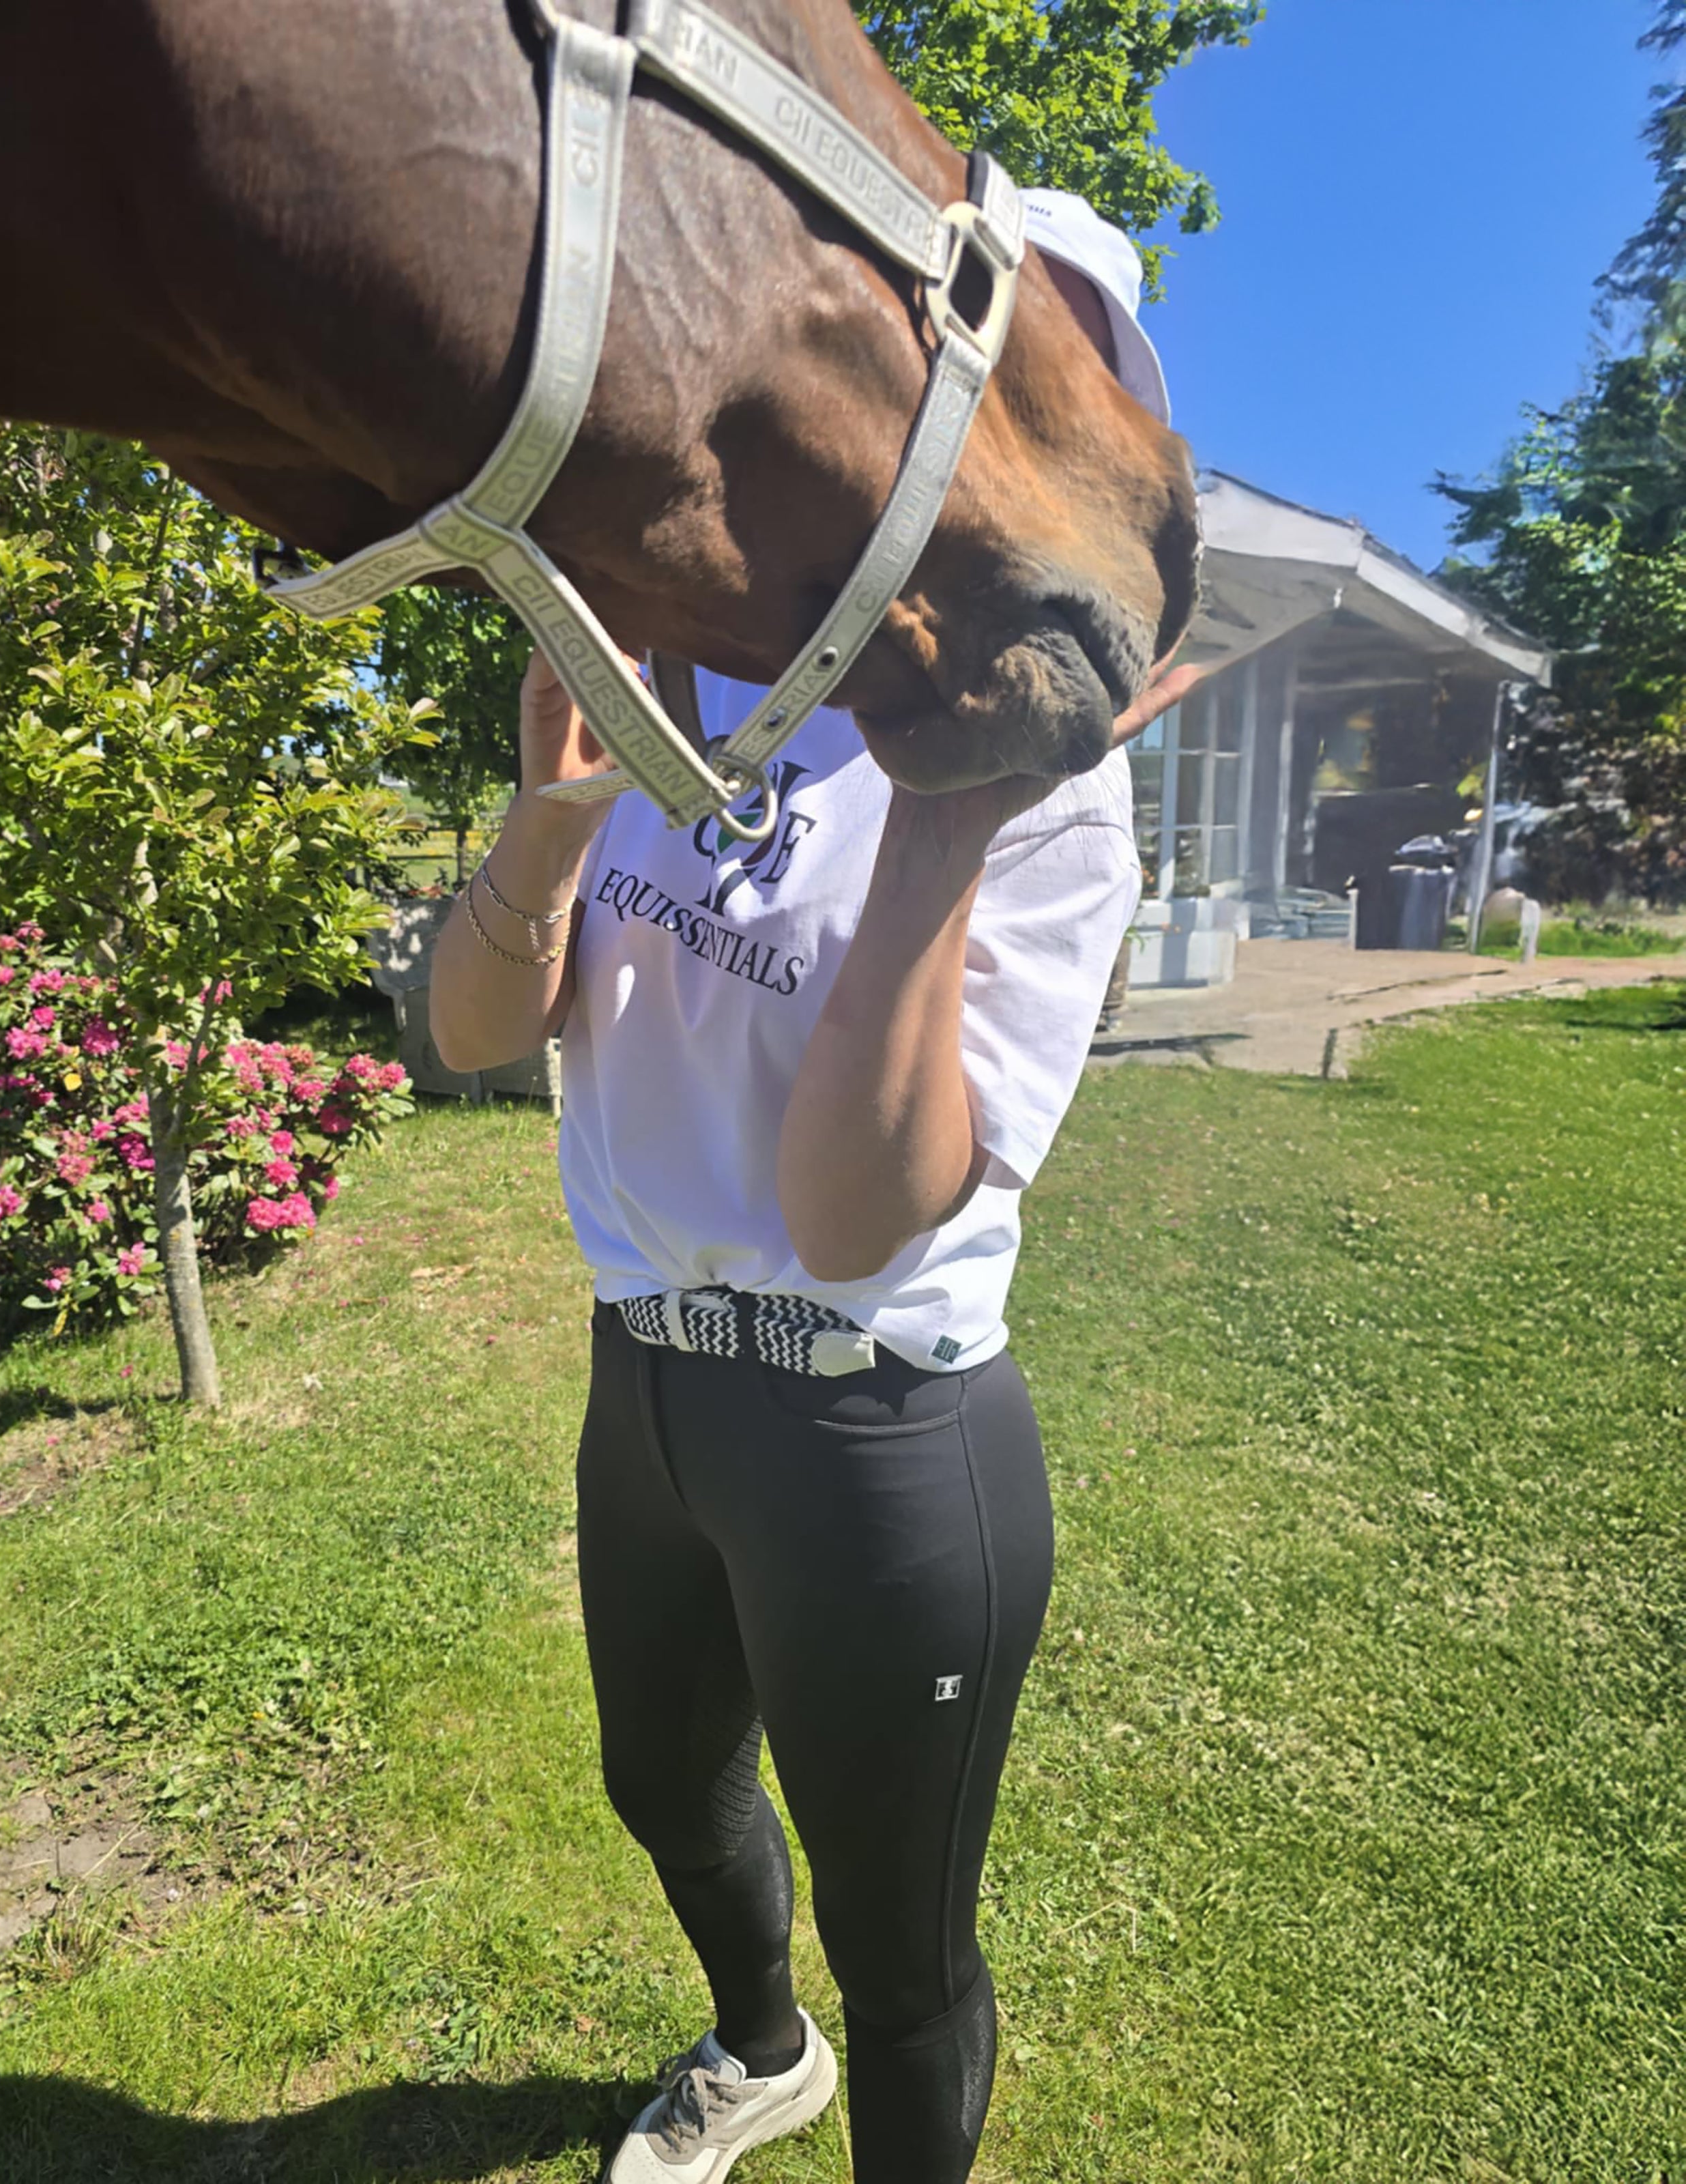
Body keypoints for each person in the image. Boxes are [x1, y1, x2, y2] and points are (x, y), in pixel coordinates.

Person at [427, 193, 1197, 2184]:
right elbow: (474, 1034)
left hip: (874, 1423)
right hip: (652, 1388)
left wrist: (942, 839)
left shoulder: (1050, 789)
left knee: (905, 1948)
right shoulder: (660, 667)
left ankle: (845, 2060)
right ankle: (758, 2056)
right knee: (661, 1791)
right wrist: (545, 824)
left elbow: (856, 1217)